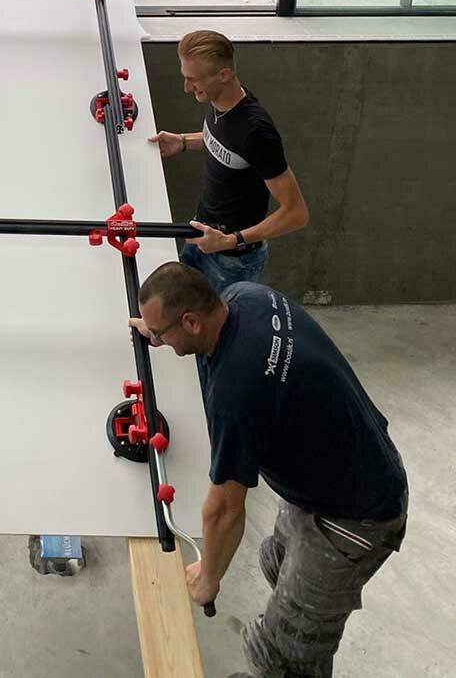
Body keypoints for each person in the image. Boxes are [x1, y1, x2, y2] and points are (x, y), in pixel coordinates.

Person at [130, 263, 407, 677]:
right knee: (276, 562)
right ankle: (302, 632)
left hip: (357, 513)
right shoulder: (247, 297)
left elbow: (224, 511)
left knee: (281, 652)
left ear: (189, 321)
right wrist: (160, 331)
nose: (160, 340)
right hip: (342, 465)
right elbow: (221, 350)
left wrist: (208, 577)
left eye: (163, 332)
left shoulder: (236, 391)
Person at [149, 30, 308, 292]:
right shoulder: (221, 102)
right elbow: (226, 142)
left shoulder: (257, 132)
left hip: (231, 262)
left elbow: (296, 213)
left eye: (193, 80)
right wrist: (184, 141)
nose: (186, 88)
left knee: (210, 331)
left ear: (223, 75)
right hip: (201, 237)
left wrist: (232, 240)